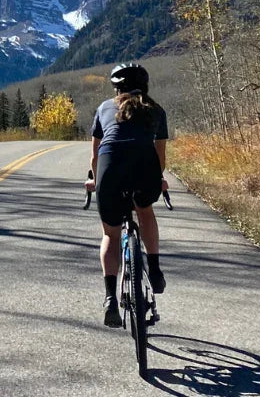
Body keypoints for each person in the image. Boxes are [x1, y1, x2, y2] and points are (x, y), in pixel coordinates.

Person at [83, 62, 169, 328]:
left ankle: (110, 298)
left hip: (110, 167)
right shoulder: (156, 110)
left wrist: (95, 180)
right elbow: (160, 155)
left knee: (111, 234)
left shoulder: (104, 108)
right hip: (145, 166)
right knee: (145, 209)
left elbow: (96, 155)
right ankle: (154, 269)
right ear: (145, 86)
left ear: (116, 88)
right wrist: (157, 179)